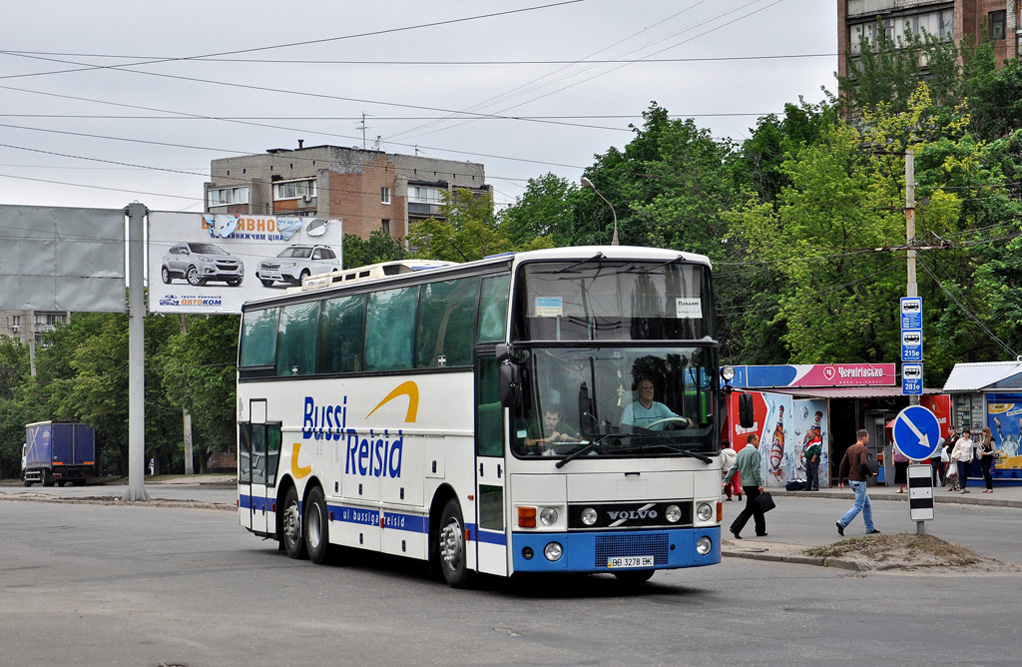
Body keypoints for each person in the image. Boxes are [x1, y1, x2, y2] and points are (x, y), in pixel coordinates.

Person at [836, 429, 880, 536]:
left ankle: (870, 528)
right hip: (859, 481)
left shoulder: (850, 449)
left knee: (867, 504)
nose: (868, 440)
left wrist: (841, 480)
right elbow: (864, 462)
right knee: (859, 505)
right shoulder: (862, 449)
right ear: (864, 437)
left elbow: (842, 465)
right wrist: (870, 474)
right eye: (868, 438)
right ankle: (842, 522)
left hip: (851, 480)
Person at [722, 433, 766, 539]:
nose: (758, 442)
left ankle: (760, 530)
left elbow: (734, 467)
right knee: (750, 508)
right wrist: (759, 483)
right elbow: (756, 469)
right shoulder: (754, 452)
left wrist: (726, 479)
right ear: (753, 441)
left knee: (757, 507)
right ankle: (736, 527)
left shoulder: (741, 452)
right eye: (757, 440)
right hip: (753, 483)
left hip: (745, 484)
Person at [620, 377, 693, 431]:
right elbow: (625, 430)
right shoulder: (631, 409)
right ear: (639, 392)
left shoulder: (660, 407)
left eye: (651, 388)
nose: (649, 390)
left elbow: (673, 419)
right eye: (645, 388)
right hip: (639, 446)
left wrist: (684, 421)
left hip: (660, 445)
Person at [951, 427, 975, 493]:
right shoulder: (960, 441)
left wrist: (972, 457)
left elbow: (971, 451)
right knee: (961, 473)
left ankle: (964, 487)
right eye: (965, 433)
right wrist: (952, 457)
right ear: (963, 433)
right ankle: (961, 487)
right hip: (960, 459)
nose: (966, 434)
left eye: (967, 433)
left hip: (967, 459)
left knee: (965, 474)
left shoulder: (970, 442)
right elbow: (955, 449)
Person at [978, 426, 996, 493]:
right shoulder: (984, 439)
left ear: (987, 432)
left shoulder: (991, 439)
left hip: (988, 457)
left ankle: (990, 487)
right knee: (984, 472)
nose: (983, 433)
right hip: (983, 457)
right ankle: (987, 487)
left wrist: (987, 453)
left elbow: (994, 450)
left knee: (986, 471)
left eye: (984, 432)